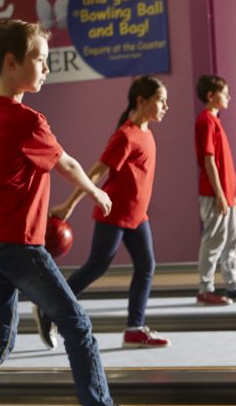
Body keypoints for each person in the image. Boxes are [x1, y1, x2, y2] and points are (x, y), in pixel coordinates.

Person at [0, 19, 159, 406]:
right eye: (40, 60)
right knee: (76, 322)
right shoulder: (27, 120)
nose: (46, 68)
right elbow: (65, 163)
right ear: (11, 62)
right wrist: (97, 191)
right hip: (18, 242)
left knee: (0, 335)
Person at [47, 76, 169, 349]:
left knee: (146, 266)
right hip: (113, 213)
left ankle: (134, 330)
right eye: (160, 100)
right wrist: (69, 204)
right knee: (97, 266)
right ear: (141, 101)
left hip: (137, 216)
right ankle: (51, 307)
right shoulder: (125, 135)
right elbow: (96, 172)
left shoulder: (146, 132)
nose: (165, 106)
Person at [194, 75, 236, 305]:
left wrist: (231, 196)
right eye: (225, 93)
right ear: (211, 96)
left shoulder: (215, 121)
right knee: (214, 240)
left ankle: (232, 285)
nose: (228, 97)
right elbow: (209, 160)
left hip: (226, 196)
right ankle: (206, 288)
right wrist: (220, 195)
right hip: (215, 195)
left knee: (231, 240)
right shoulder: (205, 121)